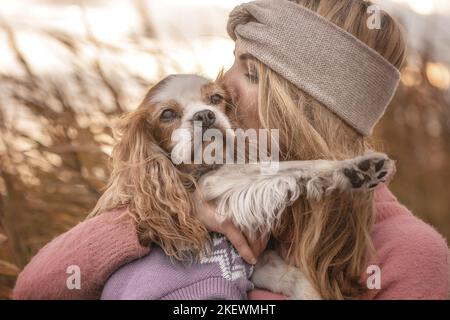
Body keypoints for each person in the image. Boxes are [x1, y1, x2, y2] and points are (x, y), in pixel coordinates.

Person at [13, 0, 449, 300]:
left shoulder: (409, 257)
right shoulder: (200, 196)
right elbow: (35, 287)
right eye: (233, 60)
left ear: (307, 107)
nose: (224, 88)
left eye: (252, 74)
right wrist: (160, 220)